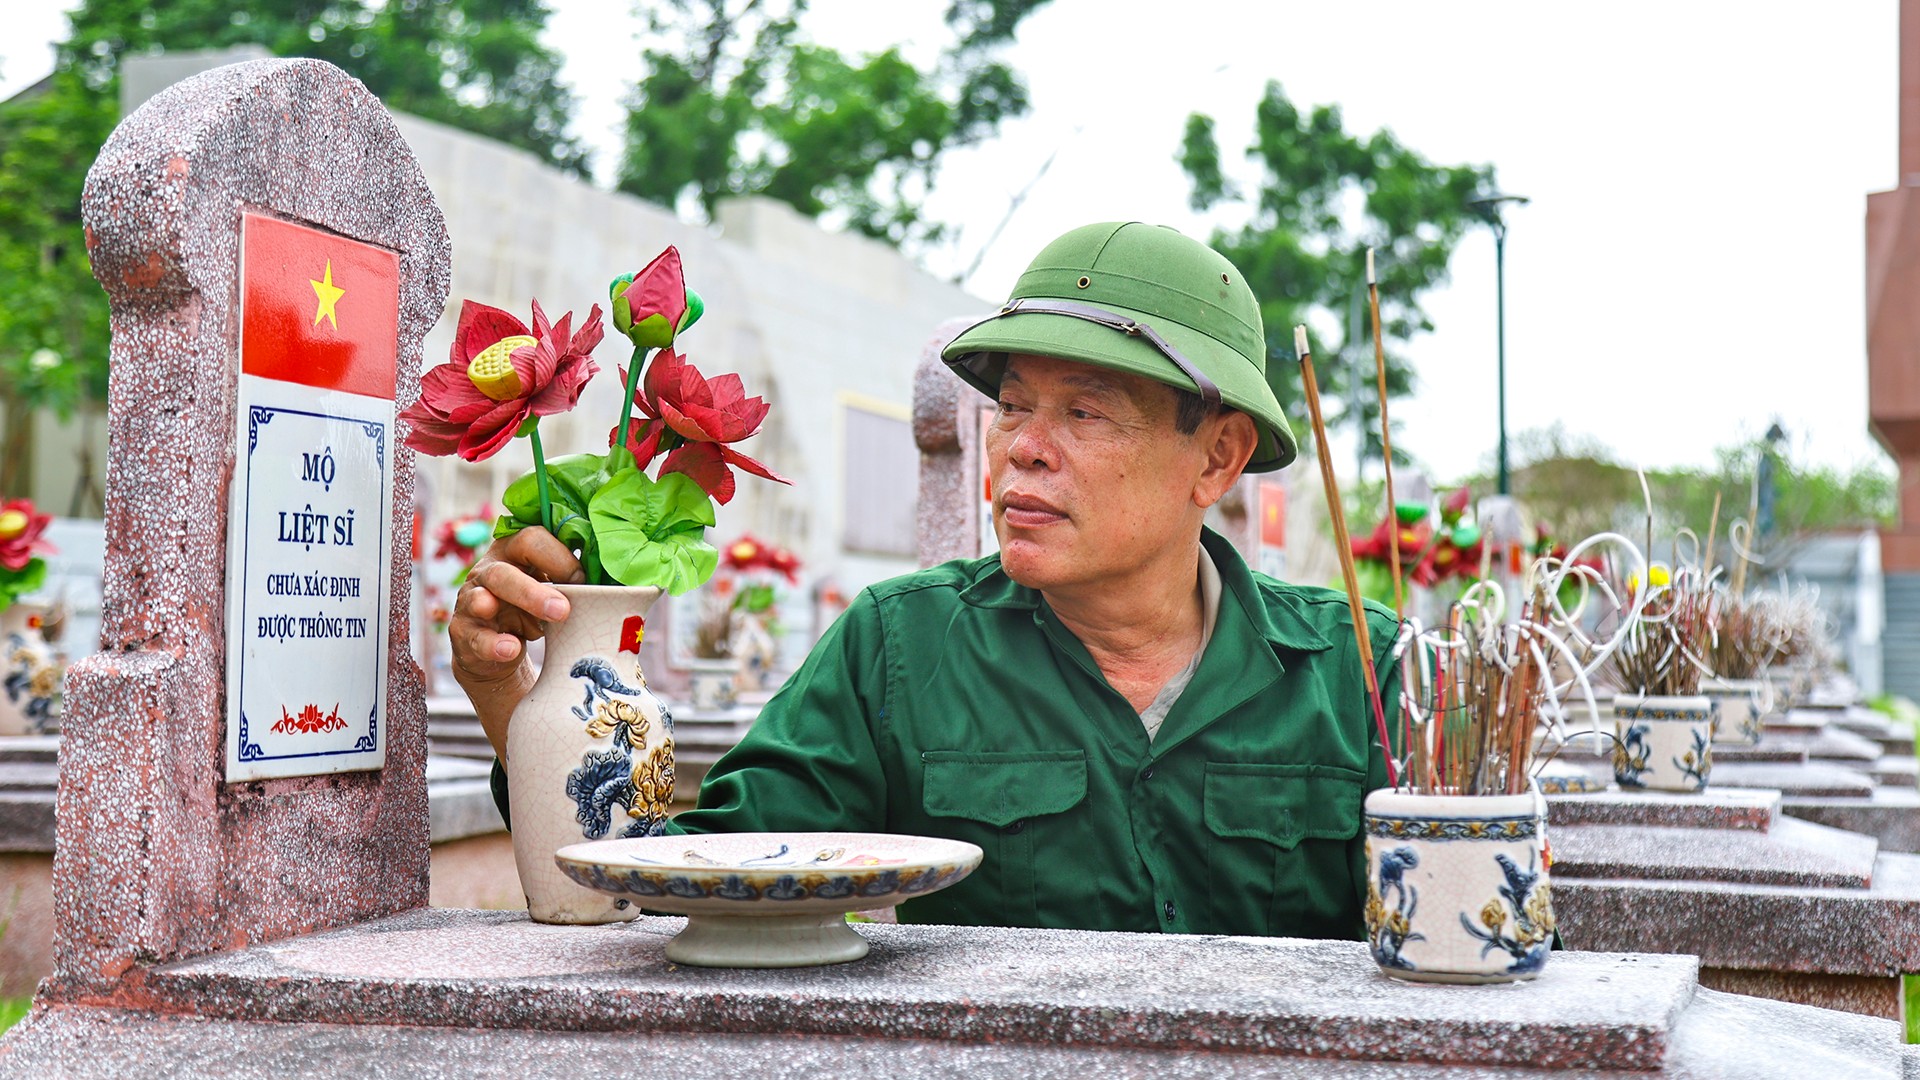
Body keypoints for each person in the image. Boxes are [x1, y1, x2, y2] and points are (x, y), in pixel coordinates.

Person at [453, 221, 1400, 938]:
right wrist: (518, 699)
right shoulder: (900, 647)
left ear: (1218, 457)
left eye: (1085, 413)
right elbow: (682, 884)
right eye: (1014, 406)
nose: (1022, 448)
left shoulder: (1360, 673)